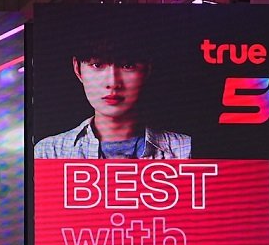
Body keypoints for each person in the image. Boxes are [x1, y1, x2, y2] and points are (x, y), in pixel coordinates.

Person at [34, 32, 190, 159]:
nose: (113, 82)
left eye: (128, 65)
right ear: (77, 68)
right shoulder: (50, 152)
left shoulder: (184, 151)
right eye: (97, 65)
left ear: (147, 69)